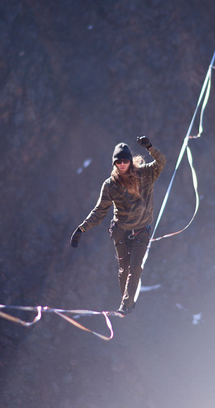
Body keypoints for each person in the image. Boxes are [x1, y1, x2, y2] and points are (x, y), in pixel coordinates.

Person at [70, 135, 167, 316]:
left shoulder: (146, 174)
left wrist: (151, 148)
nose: (121, 164)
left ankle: (125, 305)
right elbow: (100, 211)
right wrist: (81, 229)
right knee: (124, 270)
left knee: (135, 268)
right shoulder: (110, 185)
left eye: (124, 160)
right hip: (120, 232)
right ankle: (127, 301)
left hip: (141, 231)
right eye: (118, 161)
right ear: (114, 163)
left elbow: (162, 161)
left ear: (130, 160)